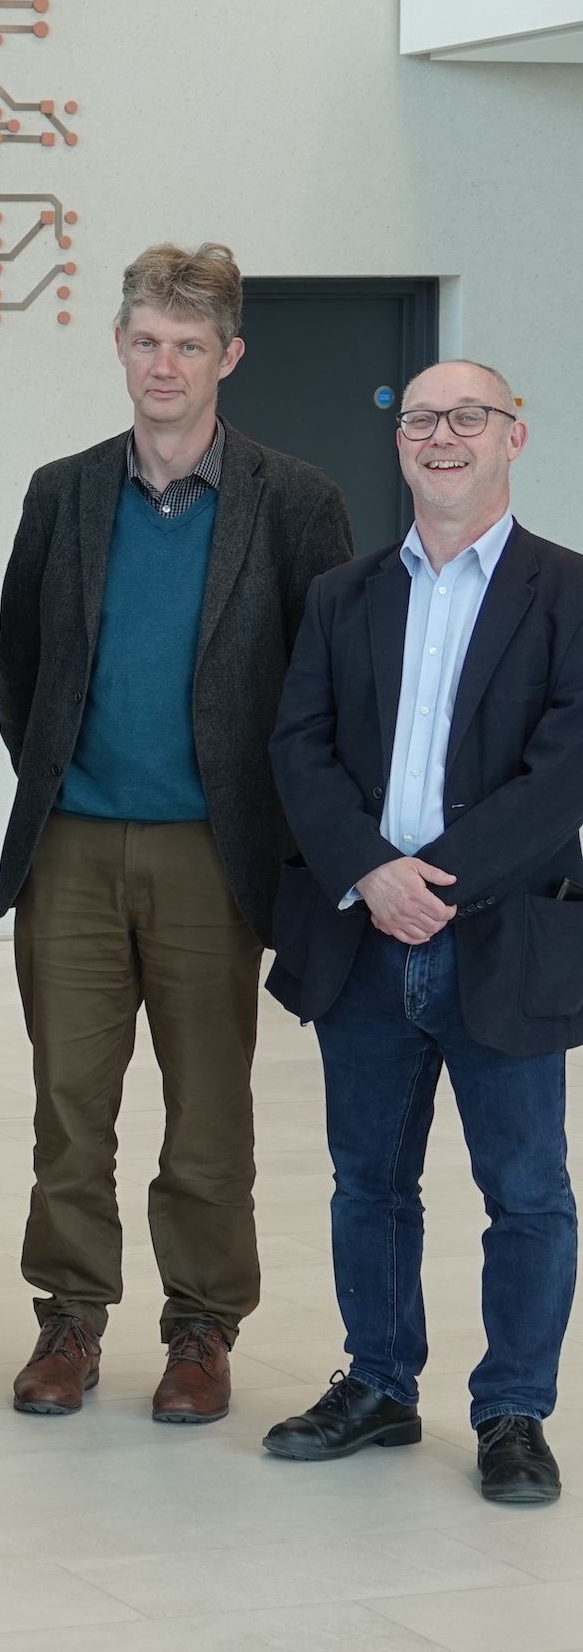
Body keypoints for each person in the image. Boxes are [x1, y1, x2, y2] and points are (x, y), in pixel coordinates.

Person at [0, 243, 353, 1423]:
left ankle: (201, 1327)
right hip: (76, 850)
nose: (163, 363)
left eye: (187, 346)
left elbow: (325, 685)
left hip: (216, 851)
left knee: (208, 1108)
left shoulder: (293, 501)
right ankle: (70, 1318)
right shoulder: (63, 490)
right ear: (118, 345)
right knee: (69, 1104)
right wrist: (64, 786)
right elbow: (21, 671)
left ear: (228, 357)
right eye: (145, 340)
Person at [264, 359, 583, 1506]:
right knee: (367, 1182)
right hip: (360, 939)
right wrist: (368, 872)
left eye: (467, 417)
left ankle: (511, 1413)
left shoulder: (568, 591)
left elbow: (562, 779)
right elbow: (297, 748)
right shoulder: (344, 595)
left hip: (500, 938)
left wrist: (429, 882)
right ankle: (381, 1384)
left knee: (527, 1192)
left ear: (514, 437)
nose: (440, 437)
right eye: (419, 419)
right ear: (399, 442)